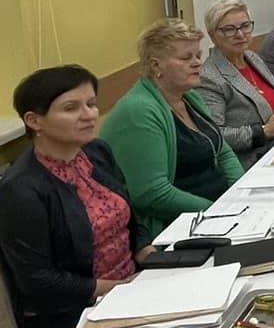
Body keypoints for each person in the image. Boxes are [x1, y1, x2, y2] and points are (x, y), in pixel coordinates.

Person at [0, 65, 151, 328]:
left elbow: (127, 213)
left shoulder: (96, 153)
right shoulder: (21, 191)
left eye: (91, 104)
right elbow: (38, 281)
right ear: (34, 120)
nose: (89, 115)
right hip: (71, 315)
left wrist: (145, 251)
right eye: (71, 108)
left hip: (131, 285)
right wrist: (116, 288)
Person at [98, 19, 243, 241]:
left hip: (219, 212)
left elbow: (222, 151)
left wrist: (239, 195)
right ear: (156, 66)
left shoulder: (190, 97)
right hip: (177, 226)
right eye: (186, 58)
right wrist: (216, 211)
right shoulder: (139, 111)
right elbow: (152, 194)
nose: (197, 63)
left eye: (198, 55)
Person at [196, 0, 274, 168]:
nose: (240, 34)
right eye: (229, 29)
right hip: (251, 162)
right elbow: (214, 135)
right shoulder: (209, 77)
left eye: (245, 26)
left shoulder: (252, 58)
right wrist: (263, 132)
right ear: (213, 35)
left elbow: (267, 99)